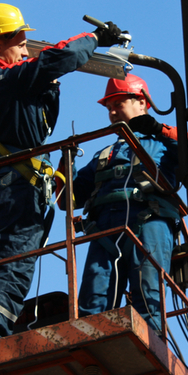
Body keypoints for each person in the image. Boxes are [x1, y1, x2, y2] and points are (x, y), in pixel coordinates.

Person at [0, 3, 126, 346]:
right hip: (13, 189)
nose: (26, 47)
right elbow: (58, 58)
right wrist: (97, 38)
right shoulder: (9, 79)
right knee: (11, 265)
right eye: (20, 40)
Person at [65, 74, 181, 334]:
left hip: (149, 221)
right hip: (104, 230)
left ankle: (152, 348)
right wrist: (66, 166)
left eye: (118, 103)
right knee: (93, 301)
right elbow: (68, 201)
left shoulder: (161, 142)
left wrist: (158, 129)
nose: (113, 112)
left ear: (142, 102)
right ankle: (92, 356)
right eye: (109, 107)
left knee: (148, 294)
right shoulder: (104, 154)